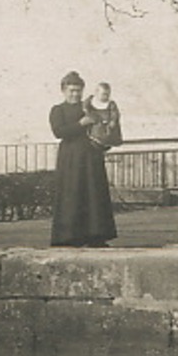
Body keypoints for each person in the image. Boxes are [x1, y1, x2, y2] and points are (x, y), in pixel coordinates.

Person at [49, 70, 117, 247]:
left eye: (78, 90)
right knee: (72, 194)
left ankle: (96, 236)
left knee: (94, 194)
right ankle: (69, 237)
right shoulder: (58, 110)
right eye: (71, 90)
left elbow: (103, 126)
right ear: (63, 90)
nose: (75, 94)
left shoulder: (90, 107)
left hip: (91, 155)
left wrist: (106, 137)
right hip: (70, 157)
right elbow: (59, 132)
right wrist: (81, 124)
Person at [83, 81, 123, 151]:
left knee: (109, 131)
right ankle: (96, 142)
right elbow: (85, 108)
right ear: (96, 93)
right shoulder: (90, 101)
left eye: (108, 94)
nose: (106, 97)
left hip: (107, 124)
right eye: (103, 94)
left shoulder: (111, 103)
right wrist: (89, 114)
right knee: (95, 132)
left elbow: (115, 113)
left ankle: (107, 143)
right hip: (95, 122)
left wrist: (113, 121)